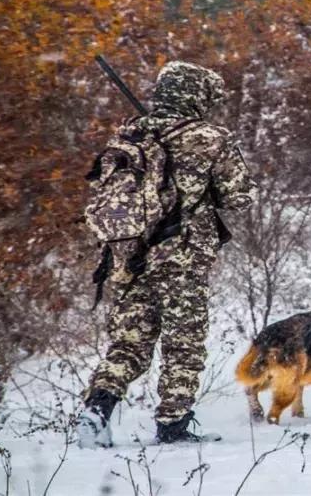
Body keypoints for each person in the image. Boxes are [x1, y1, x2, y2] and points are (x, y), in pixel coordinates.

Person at [77, 62, 256, 448]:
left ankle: (97, 411)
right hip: (182, 258)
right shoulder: (209, 136)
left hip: (130, 258)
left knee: (129, 342)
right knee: (183, 343)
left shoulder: (131, 133)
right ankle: (173, 425)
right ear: (196, 95)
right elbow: (239, 196)